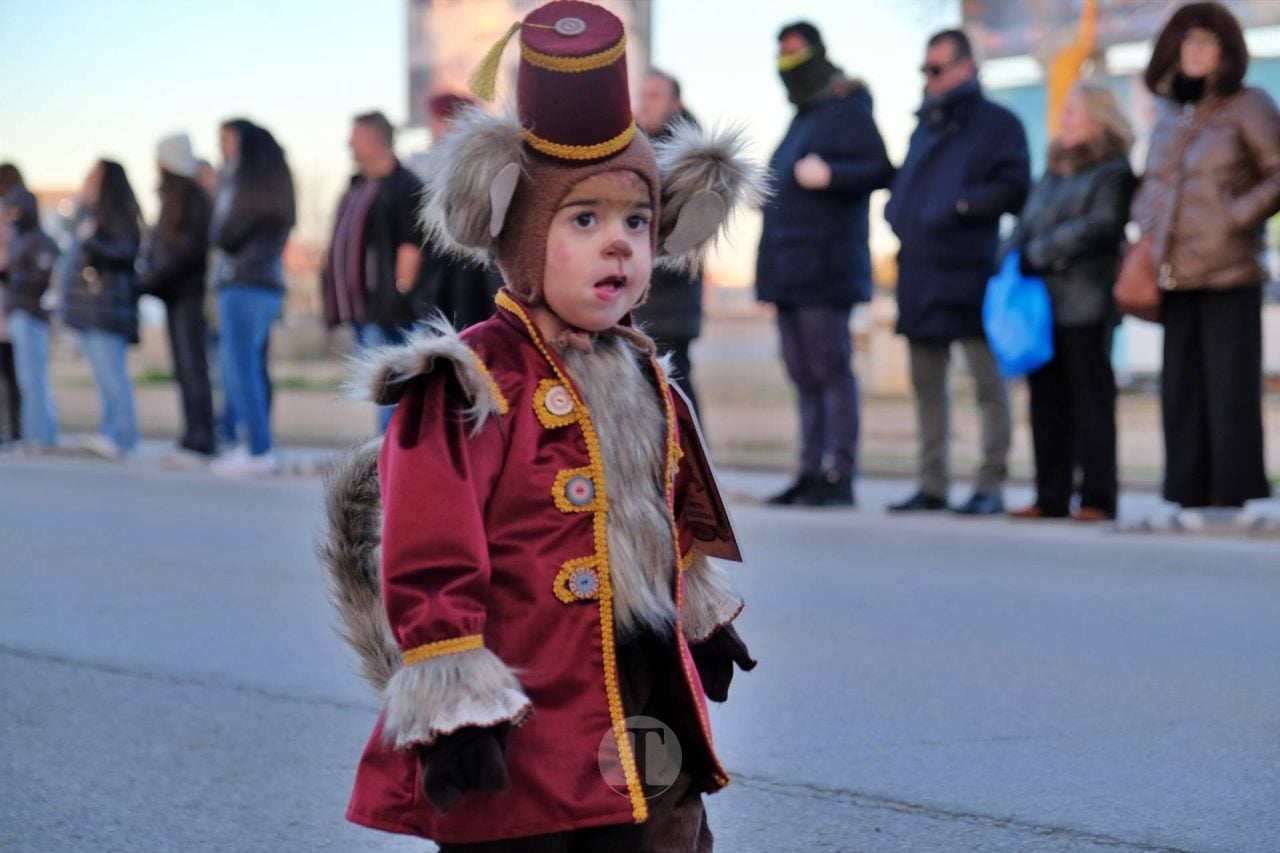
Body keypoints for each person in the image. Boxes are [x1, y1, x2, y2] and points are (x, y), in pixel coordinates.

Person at [318, 2, 765, 848]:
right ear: (522, 239)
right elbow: (428, 544)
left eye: (635, 221)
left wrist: (700, 610)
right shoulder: (467, 379)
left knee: (667, 828)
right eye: (584, 220)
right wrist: (451, 687)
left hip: (632, 688)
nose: (619, 247)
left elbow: (662, 516)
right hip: (517, 705)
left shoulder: (641, 371)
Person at [1132, 2, 1280, 517]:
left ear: (1225, 51)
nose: (1192, 51)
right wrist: (1146, 224)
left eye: (1204, 41)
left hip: (1229, 269)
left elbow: (1277, 173)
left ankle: (1230, 492)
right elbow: (1153, 181)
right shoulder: (1171, 116)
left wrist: (1234, 216)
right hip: (1175, 272)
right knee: (1181, 388)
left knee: (1229, 386)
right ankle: (1187, 492)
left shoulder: (1250, 104)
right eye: (1185, 41)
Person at [885, 28, 1031, 516]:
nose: (928, 78)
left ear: (965, 68)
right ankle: (932, 484)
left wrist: (964, 206)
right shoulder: (924, 125)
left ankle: (989, 484)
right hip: (921, 273)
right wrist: (897, 213)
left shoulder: (999, 124)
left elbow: (1015, 187)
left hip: (971, 272)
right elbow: (907, 185)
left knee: (988, 385)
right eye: (924, 69)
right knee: (928, 385)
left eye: (936, 68)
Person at [756, 21, 894, 508]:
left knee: (831, 370)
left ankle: (840, 473)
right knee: (802, 374)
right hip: (788, 271)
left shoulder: (846, 107)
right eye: (781, 55)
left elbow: (881, 168)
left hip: (826, 268)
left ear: (816, 51)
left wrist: (831, 175)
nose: (787, 64)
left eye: (794, 53)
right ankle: (809, 470)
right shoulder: (801, 118)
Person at [1006, 82, 1136, 522]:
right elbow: (1026, 220)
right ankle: (1050, 495)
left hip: (1085, 300)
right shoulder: (1053, 169)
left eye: (1075, 113)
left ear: (1099, 118)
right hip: (1042, 306)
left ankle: (1099, 496)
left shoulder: (1113, 170)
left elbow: (1101, 225)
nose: (1065, 121)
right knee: (1045, 403)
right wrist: (1010, 255)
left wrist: (1039, 253)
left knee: (1090, 402)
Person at [323, 111, 426, 432]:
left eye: (355, 136)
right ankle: (387, 461)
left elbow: (412, 244)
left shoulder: (404, 185)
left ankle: (392, 465)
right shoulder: (357, 185)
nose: (349, 143)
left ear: (374, 139)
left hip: (388, 312)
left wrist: (399, 292)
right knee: (379, 392)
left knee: (391, 392)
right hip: (359, 310)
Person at [208, 119, 295, 476]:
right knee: (251, 368)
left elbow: (222, 233)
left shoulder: (243, 185)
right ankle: (257, 445)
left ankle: (258, 449)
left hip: (243, 283)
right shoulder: (277, 187)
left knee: (239, 368)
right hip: (266, 284)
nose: (223, 148)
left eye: (228, 140)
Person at [139, 132, 217, 462]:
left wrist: (149, 278)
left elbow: (186, 248)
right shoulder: (173, 197)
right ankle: (191, 434)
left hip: (188, 291)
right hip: (173, 291)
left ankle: (202, 437)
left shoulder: (191, 196)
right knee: (183, 367)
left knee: (192, 365)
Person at [633, 68, 706, 414]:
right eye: (642, 95)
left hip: (669, 297)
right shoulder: (634, 150)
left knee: (674, 388)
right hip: (636, 296)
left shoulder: (691, 160)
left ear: (676, 103)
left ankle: (695, 463)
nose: (643, 105)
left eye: (654, 96)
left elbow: (683, 235)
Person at [61, 160, 143, 459]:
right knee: (104, 375)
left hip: (106, 308)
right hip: (92, 308)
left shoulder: (116, 214)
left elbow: (124, 253)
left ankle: (121, 436)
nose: (88, 183)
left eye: (94, 178)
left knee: (113, 375)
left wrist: (91, 239)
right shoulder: (90, 214)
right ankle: (111, 431)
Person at [415, 93, 503, 331]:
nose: (431, 130)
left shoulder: (478, 170)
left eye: (435, 120)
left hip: (470, 288)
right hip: (448, 290)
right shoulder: (442, 170)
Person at [1, 186, 59, 449]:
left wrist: (13, 276)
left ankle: (39, 438)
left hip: (32, 315)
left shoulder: (38, 240)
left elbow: (40, 278)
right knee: (29, 379)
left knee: (33, 380)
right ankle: (37, 436)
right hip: (19, 315)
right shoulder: (20, 239)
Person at [0, 163, 26, 443]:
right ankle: (16, 429)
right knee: (15, 376)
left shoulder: (10, 211)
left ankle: (15, 430)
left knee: (12, 374)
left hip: (11, 305)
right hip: (13, 306)